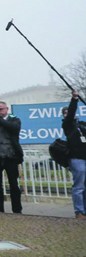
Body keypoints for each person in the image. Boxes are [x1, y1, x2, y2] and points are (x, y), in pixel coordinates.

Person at [62, 89, 86, 219]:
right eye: (64, 113)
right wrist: (75, 99)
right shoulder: (67, 124)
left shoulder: (82, 125)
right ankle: (79, 211)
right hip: (76, 158)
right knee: (79, 186)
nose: (67, 114)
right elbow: (71, 113)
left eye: (67, 112)